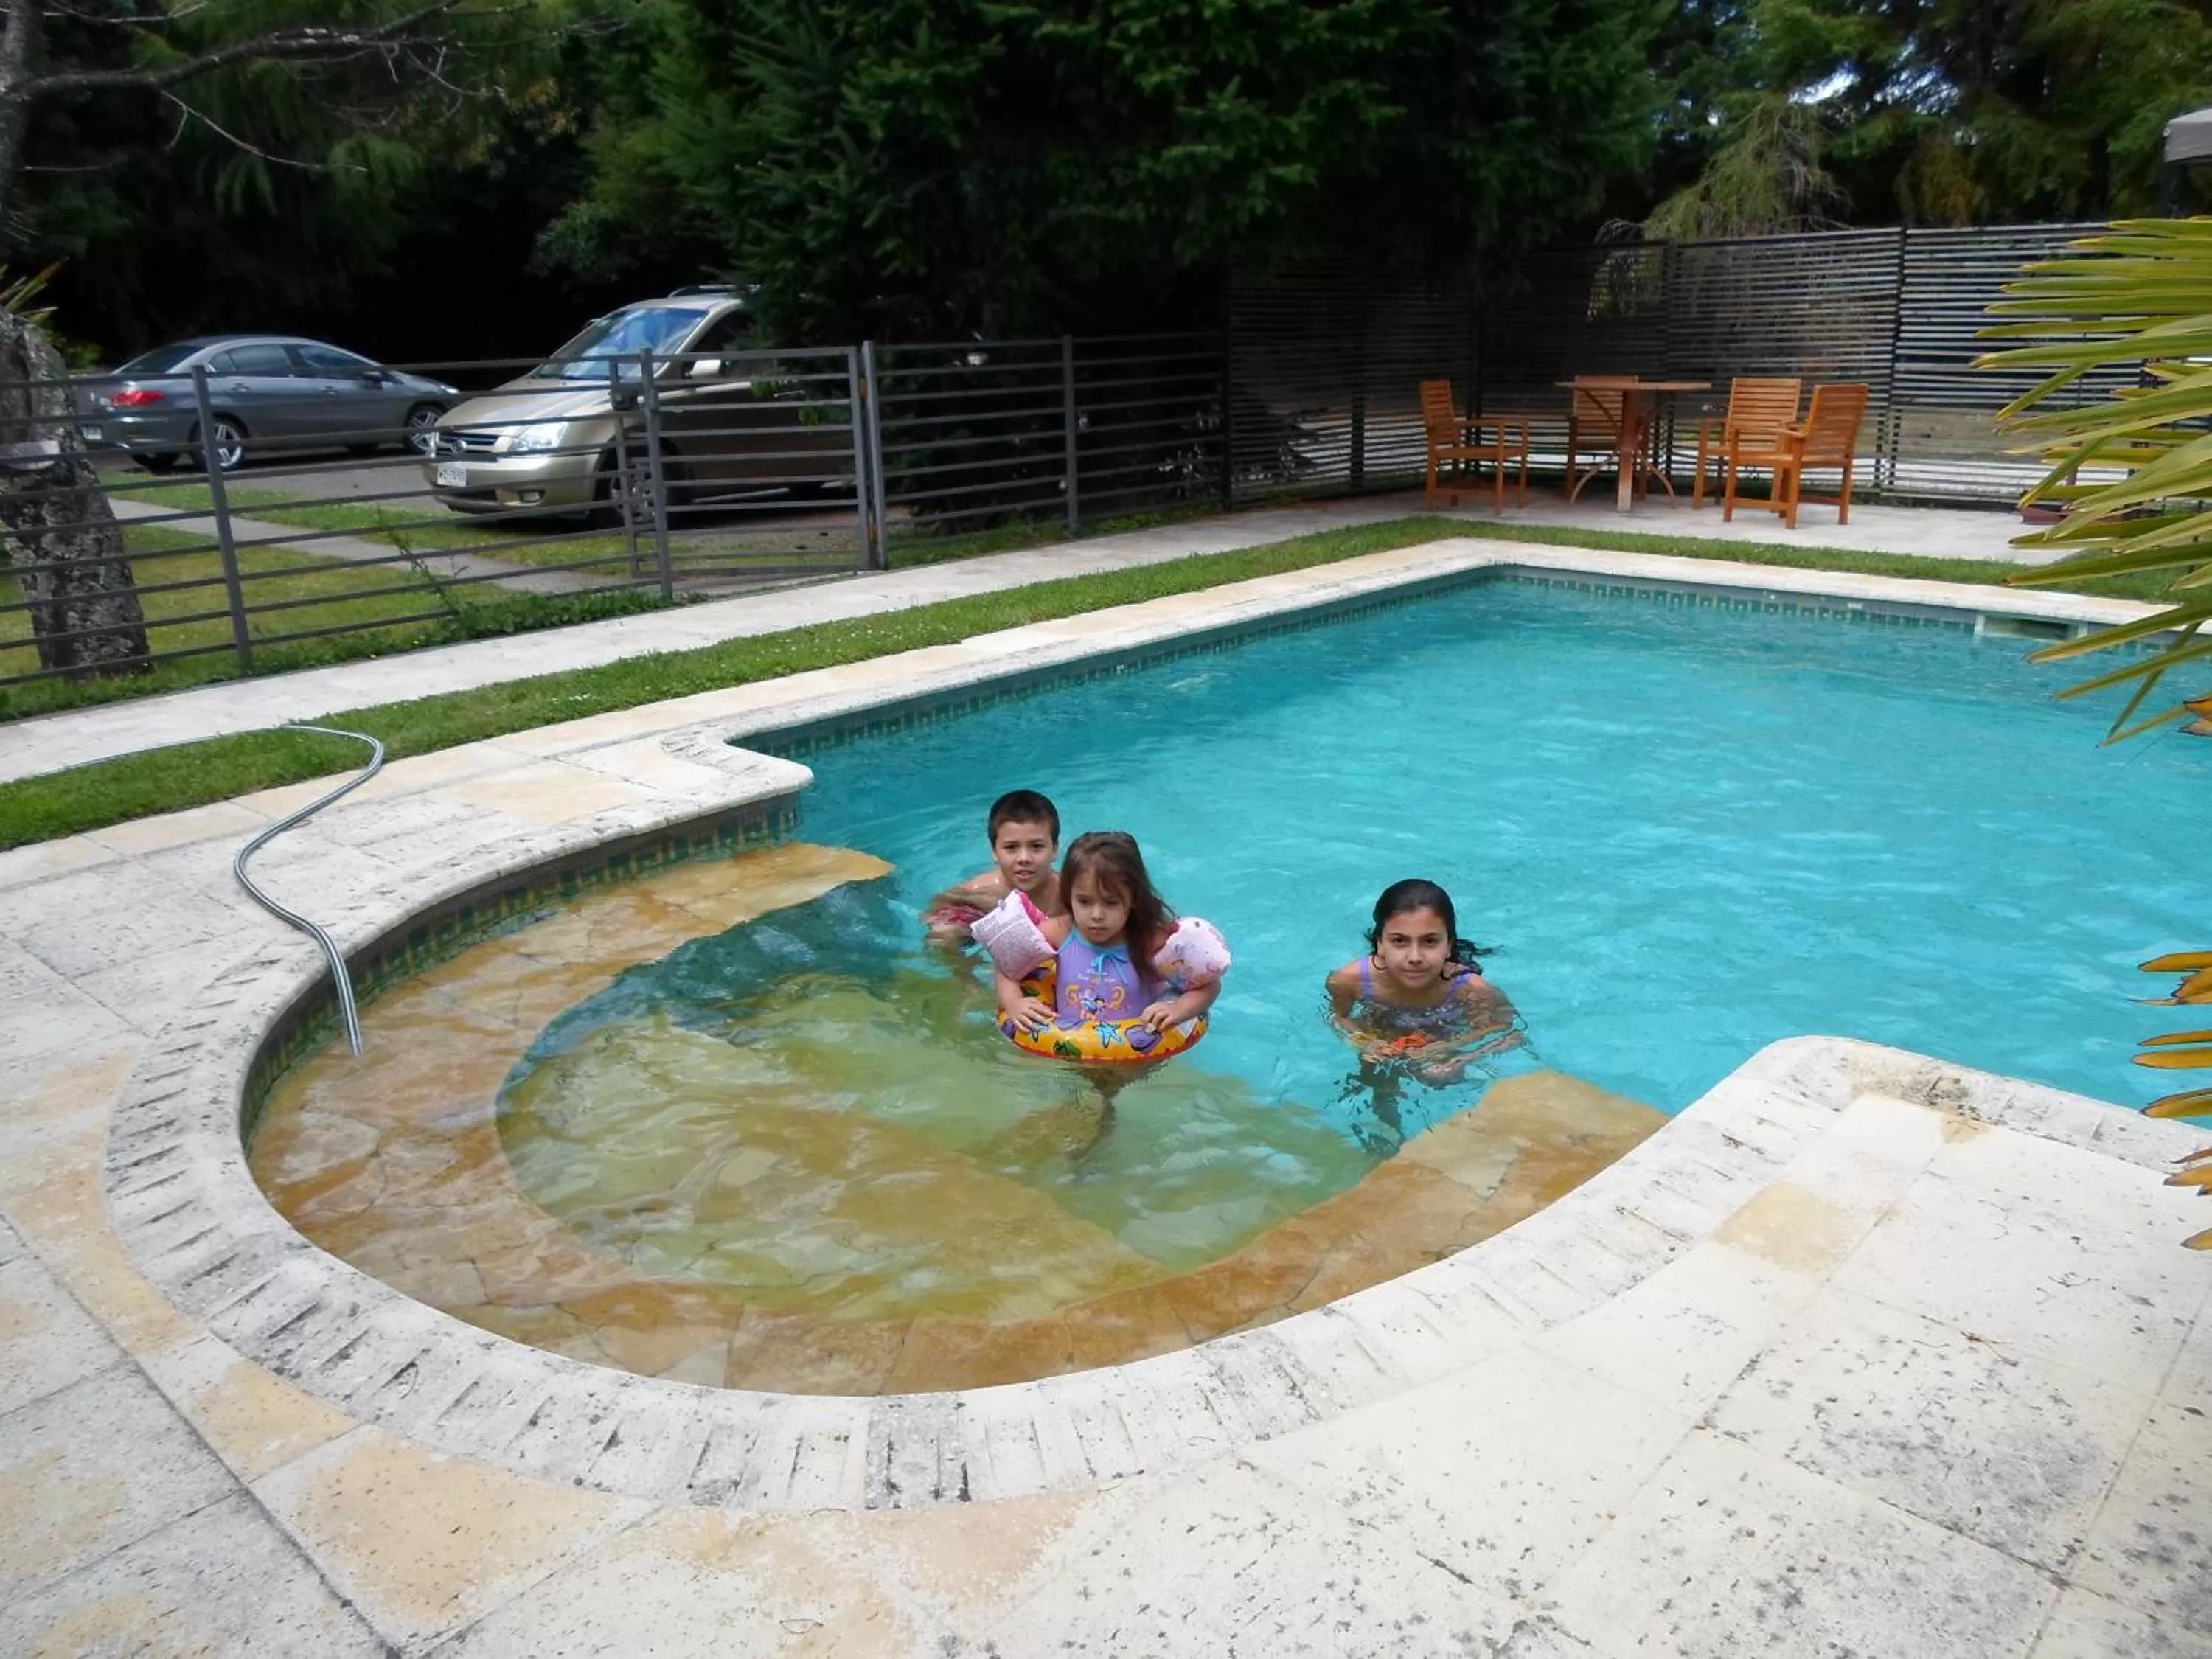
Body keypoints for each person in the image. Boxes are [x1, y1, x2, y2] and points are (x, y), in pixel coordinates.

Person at [996, 830, 1221, 1040]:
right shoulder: (1060, 932)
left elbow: (1208, 985)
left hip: (1138, 1054)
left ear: (1133, 898)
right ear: (1069, 895)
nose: (1096, 915)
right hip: (1069, 1049)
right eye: (1084, 901)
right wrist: (1014, 1002)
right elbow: (1006, 965)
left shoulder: (1151, 940)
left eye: (1111, 902)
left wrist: (1178, 1009)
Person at [1326, 878, 1520, 1088]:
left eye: (1430, 941)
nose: (1415, 957)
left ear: (1448, 946)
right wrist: (1366, 1042)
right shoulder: (1348, 981)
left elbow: (1509, 1033)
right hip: (1381, 1026)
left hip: (1444, 1030)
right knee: (1370, 1071)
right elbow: (1338, 1018)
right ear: (1380, 943)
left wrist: (1453, 1050)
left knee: (1438, 1077)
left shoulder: (1471, 989)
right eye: (1399, 941)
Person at [924, 788, 1065, 943]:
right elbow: (939, 907)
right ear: (994, 852)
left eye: (1036, 846)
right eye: (1011, 847)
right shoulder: (980, 893)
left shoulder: (1067, 894)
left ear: (1055, 850)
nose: (1024, 858)